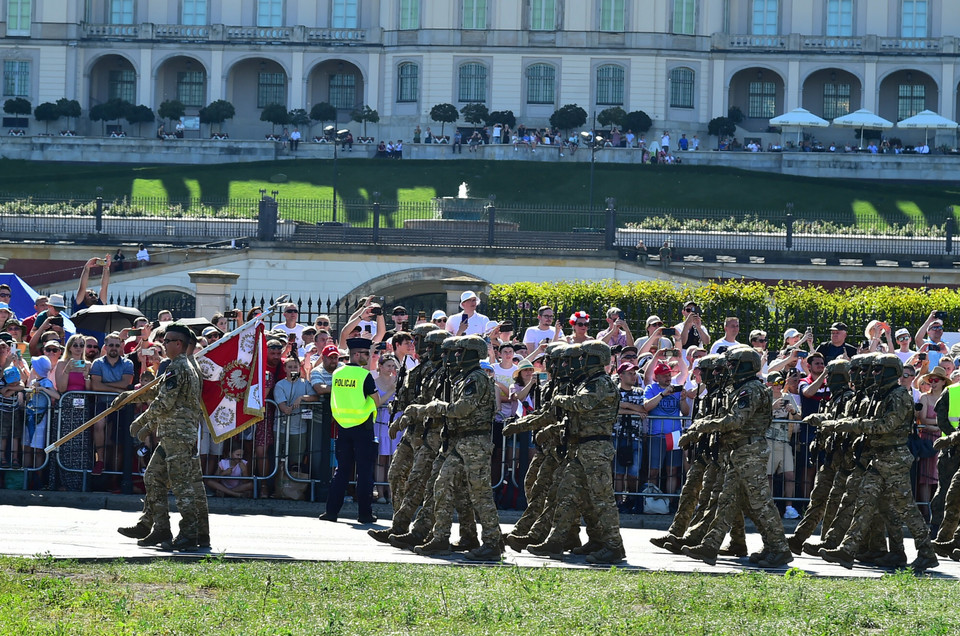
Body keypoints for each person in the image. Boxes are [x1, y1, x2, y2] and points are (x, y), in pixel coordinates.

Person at [118, 323, 210, 552]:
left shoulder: (178, 367)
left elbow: (164, 402)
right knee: (153, 477)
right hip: (175, 434)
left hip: (177, 435)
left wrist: (143, 422)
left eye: (167, 341)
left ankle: (189, 533)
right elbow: (159, 390)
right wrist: (130, 397)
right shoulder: (183, 366)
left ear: (178, 344)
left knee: (182, 485)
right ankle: (158, 527)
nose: (163, 344)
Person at [320, 338, 389, 524]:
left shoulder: (337, 373)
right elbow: (376, 401)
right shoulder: (363, 376)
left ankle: (331, 512)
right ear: (356, 354)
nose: (369, 357)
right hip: (362, 428)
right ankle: (365, 514)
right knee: (365, 472)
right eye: (366, 353)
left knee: (341, 471)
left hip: (343, 427)